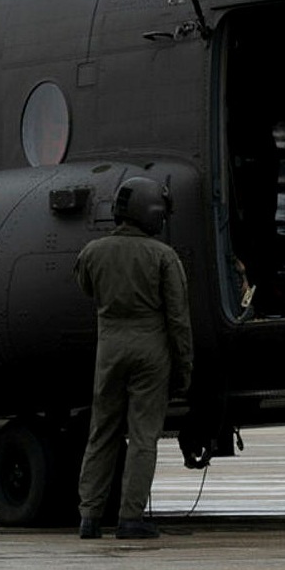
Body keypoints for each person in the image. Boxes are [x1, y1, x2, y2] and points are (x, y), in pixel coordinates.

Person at [74, 175, 193, 540]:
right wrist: (183, 369)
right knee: (144, 436)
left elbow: (86, 289)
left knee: (102, 432)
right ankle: (130, 517)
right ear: (152, 213)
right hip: (150, 350)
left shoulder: (92, 252)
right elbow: (178, 318)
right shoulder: (163, 257)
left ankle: (89, 517)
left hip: (109, 349)